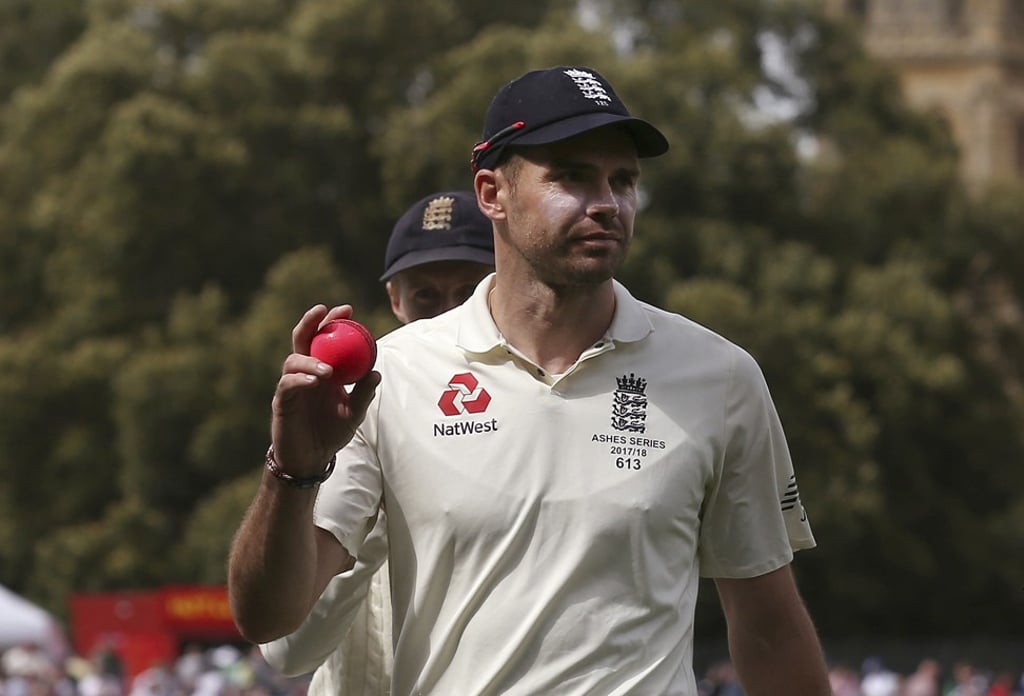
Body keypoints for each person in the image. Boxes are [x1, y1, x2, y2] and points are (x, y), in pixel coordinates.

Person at [228, 65, 831, 694]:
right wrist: (291, 471)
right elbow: (271, 620)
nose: (606, 203)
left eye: (623, 180)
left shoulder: (721, 376)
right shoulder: (394, 374)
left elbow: (768, 627)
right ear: (492, 193)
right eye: (571, 176)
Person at [257, 191, 495, 693]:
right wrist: (375, 514)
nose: (445, 314)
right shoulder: (351, 420)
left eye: (468, 293)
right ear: (394, 300)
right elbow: (287, 649)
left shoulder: (528, 425)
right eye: (425, 295)